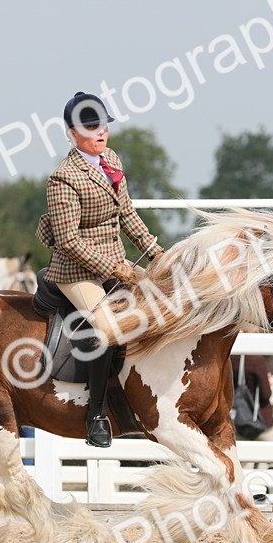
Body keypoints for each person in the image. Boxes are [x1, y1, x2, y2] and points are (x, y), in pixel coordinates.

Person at [35, 91, 164, 447]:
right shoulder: (62, 178)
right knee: (107, 327)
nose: (101, 132)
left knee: (159, 302)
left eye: (103, 125)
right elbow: (68, 241)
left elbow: (127, 215)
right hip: (75, 273)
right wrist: (115, 266)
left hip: (116, 265)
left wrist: (156, 253)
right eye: (91, 127)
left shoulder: (111, 160)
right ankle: (96, 415)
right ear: (72, 134)